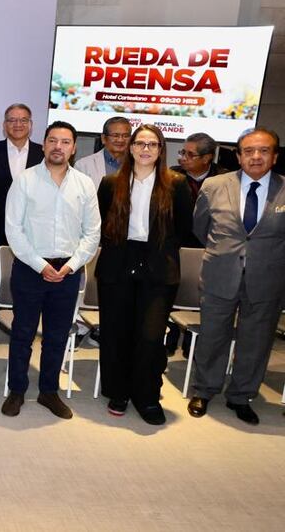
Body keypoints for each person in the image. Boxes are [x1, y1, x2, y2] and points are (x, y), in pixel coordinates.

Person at [95, 125, 193, 425]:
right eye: (140, 143)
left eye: (153, 144)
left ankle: (147, 396)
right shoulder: (111, 183)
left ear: (161, 149)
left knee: (150, 338)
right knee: (116, 334)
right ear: (131, 147)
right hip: (117, 265)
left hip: (158, 267)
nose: (145, 149)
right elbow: (101, 227)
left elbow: (184, 230)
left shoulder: (176, 184)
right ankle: (119, 392)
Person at [2, 121, 100, 420]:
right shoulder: (25, 180)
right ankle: (17, 390)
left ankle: (48, 392)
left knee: (57, 335)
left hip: (68, 271)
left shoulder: (84, 184)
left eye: (65, 141)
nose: (58, 146)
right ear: (43, 144)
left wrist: (71, 265)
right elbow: (13, 230)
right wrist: (41, 265)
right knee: (22, 333)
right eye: (53, 140)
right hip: (32, 268)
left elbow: (93, 232)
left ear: (73, 147)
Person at [188, 128, 285, 426]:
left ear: (275, 156)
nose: (256, 156)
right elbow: (201, 228)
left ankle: (241, 396)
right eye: (249, 151)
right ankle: (204, 391)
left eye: (264, 150)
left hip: (267, 279)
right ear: (238, 155)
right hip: (221, 273)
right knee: (212, 335)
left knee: (255, 341)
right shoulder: (215, 186)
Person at [164, 131, 226, 356]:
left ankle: (193, 341)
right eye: (183, 152)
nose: (183, 158)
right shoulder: (171, 175)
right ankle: (168, 338)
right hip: (175, 245)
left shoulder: (225, 179)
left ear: (207, 158)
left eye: (190, 155)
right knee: (169, 293)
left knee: (201, 296)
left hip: (208, 246)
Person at [0, 104, 44, 254]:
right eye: (12, 120)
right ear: (4, 125)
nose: (18, 124)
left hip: (34, 233)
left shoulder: (43, 154)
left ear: (30, 124)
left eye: (23, 120)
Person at [75, 116, 131, 187]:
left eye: (125, 136)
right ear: (103, 138)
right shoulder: (83, 165)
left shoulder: (138, 163)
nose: (120, 140)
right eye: (115, 135)